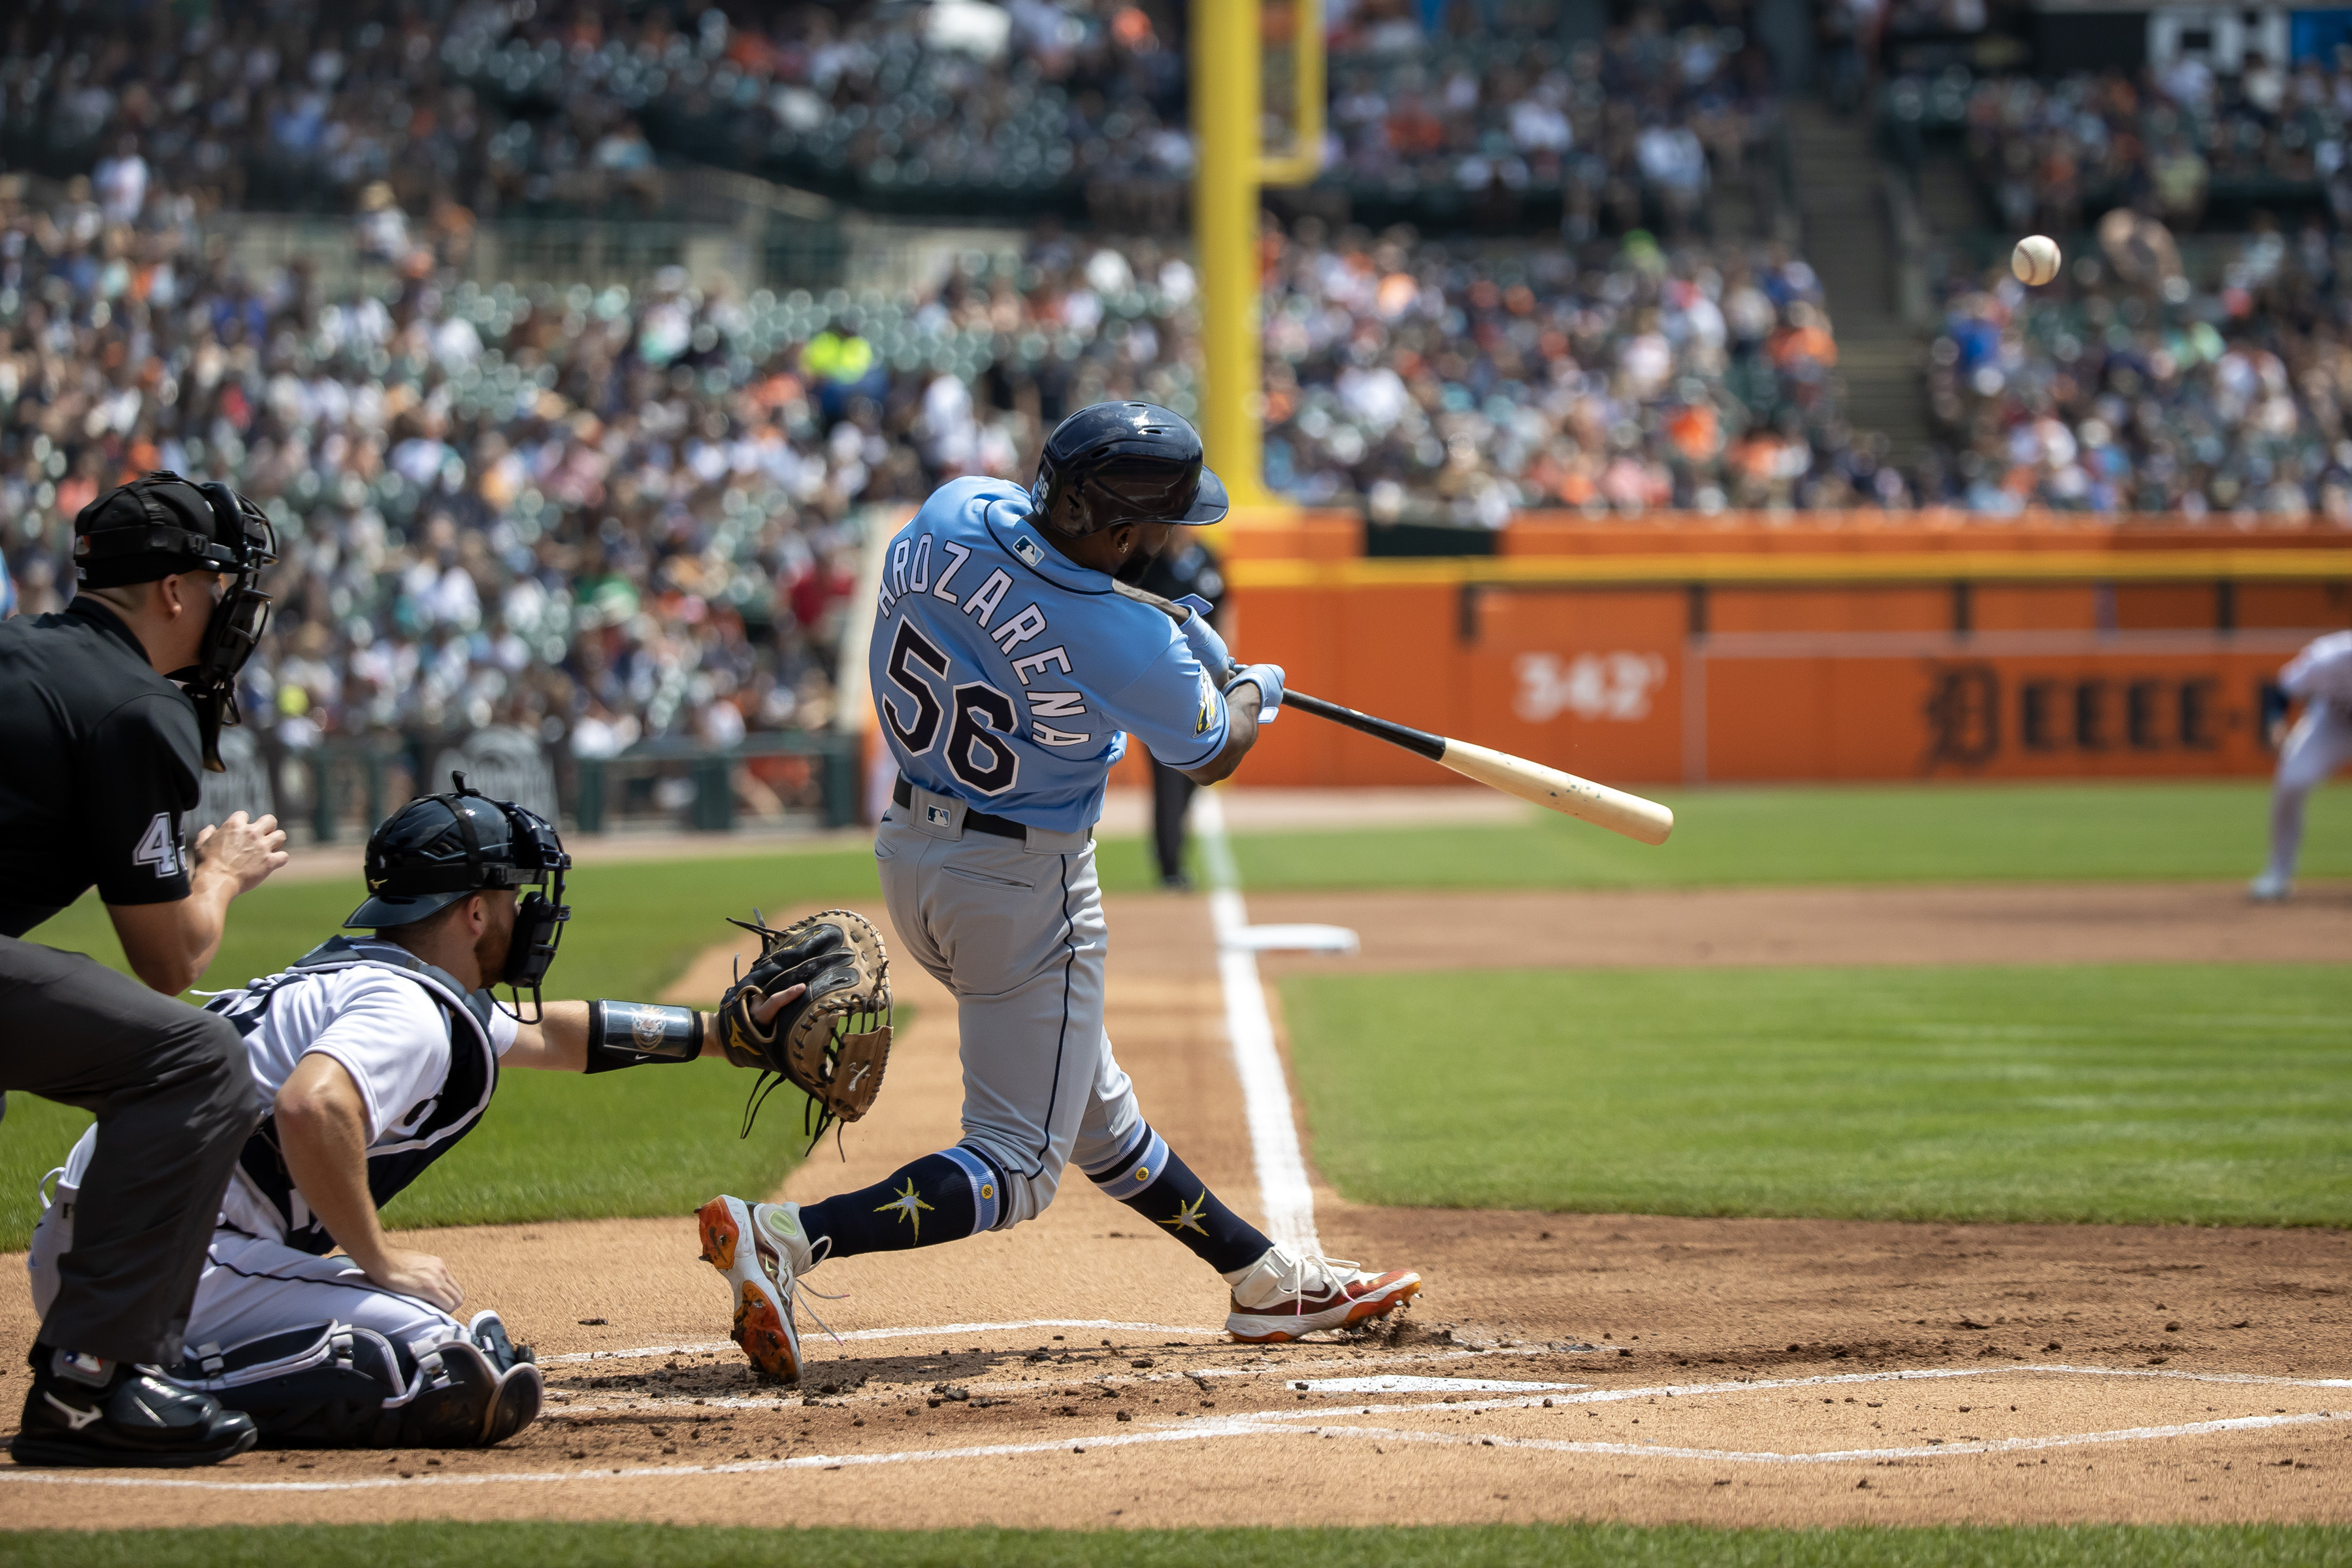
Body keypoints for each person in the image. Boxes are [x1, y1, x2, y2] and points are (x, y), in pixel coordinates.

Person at [695, 402, 1420, 1383]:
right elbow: (1211, 753)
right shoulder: (1131, 638)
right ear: (1121, 527)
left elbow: (1030, 588)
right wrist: (1249, 689)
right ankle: (787, 1235)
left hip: (915, 856)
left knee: (1092, 1114)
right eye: (1158, 528)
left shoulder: (954, 509)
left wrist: (1153, 630)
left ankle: (1264, 1278)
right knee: (1018, 1164)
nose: (1166, 544)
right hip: (1022, 885)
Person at [25, 777, 809, 1448]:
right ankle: (160, 1371)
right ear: (473, 913)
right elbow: (312, 1105)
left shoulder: (374, 977)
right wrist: (380, 1259)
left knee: (452, 1344)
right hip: (161, 1272)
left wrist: (724, 1037)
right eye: (510, 895)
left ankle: (158, 1352)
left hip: (118, 1251)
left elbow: (560, 1034)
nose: (524, 914)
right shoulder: (405, 1008)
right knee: (445, 1357)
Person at [1, 474, 286, 1467]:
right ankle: (94, 1385)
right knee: (196, 1060)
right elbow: (169, 961)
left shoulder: (21, 653)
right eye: (221, 585)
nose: (232, 610)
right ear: (174, 591)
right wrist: (221, 873)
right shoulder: (134, 706)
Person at [1131, 534, 1226, 888]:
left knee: (1201, 767)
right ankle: (1170, 865)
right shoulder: (1148, 562)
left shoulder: (1207, 557)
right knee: (1167, 776)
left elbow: (1226, 608)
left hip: (1204, 682)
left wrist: (1225, 666)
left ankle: (1168, 845)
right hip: (1160, 683)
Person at [2250, 629, 2352, 902]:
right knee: (2291, 781)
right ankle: (2277, 875)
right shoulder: (2329, 656)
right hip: (2332, 724)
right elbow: (2282, 690)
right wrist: (2275, 721)